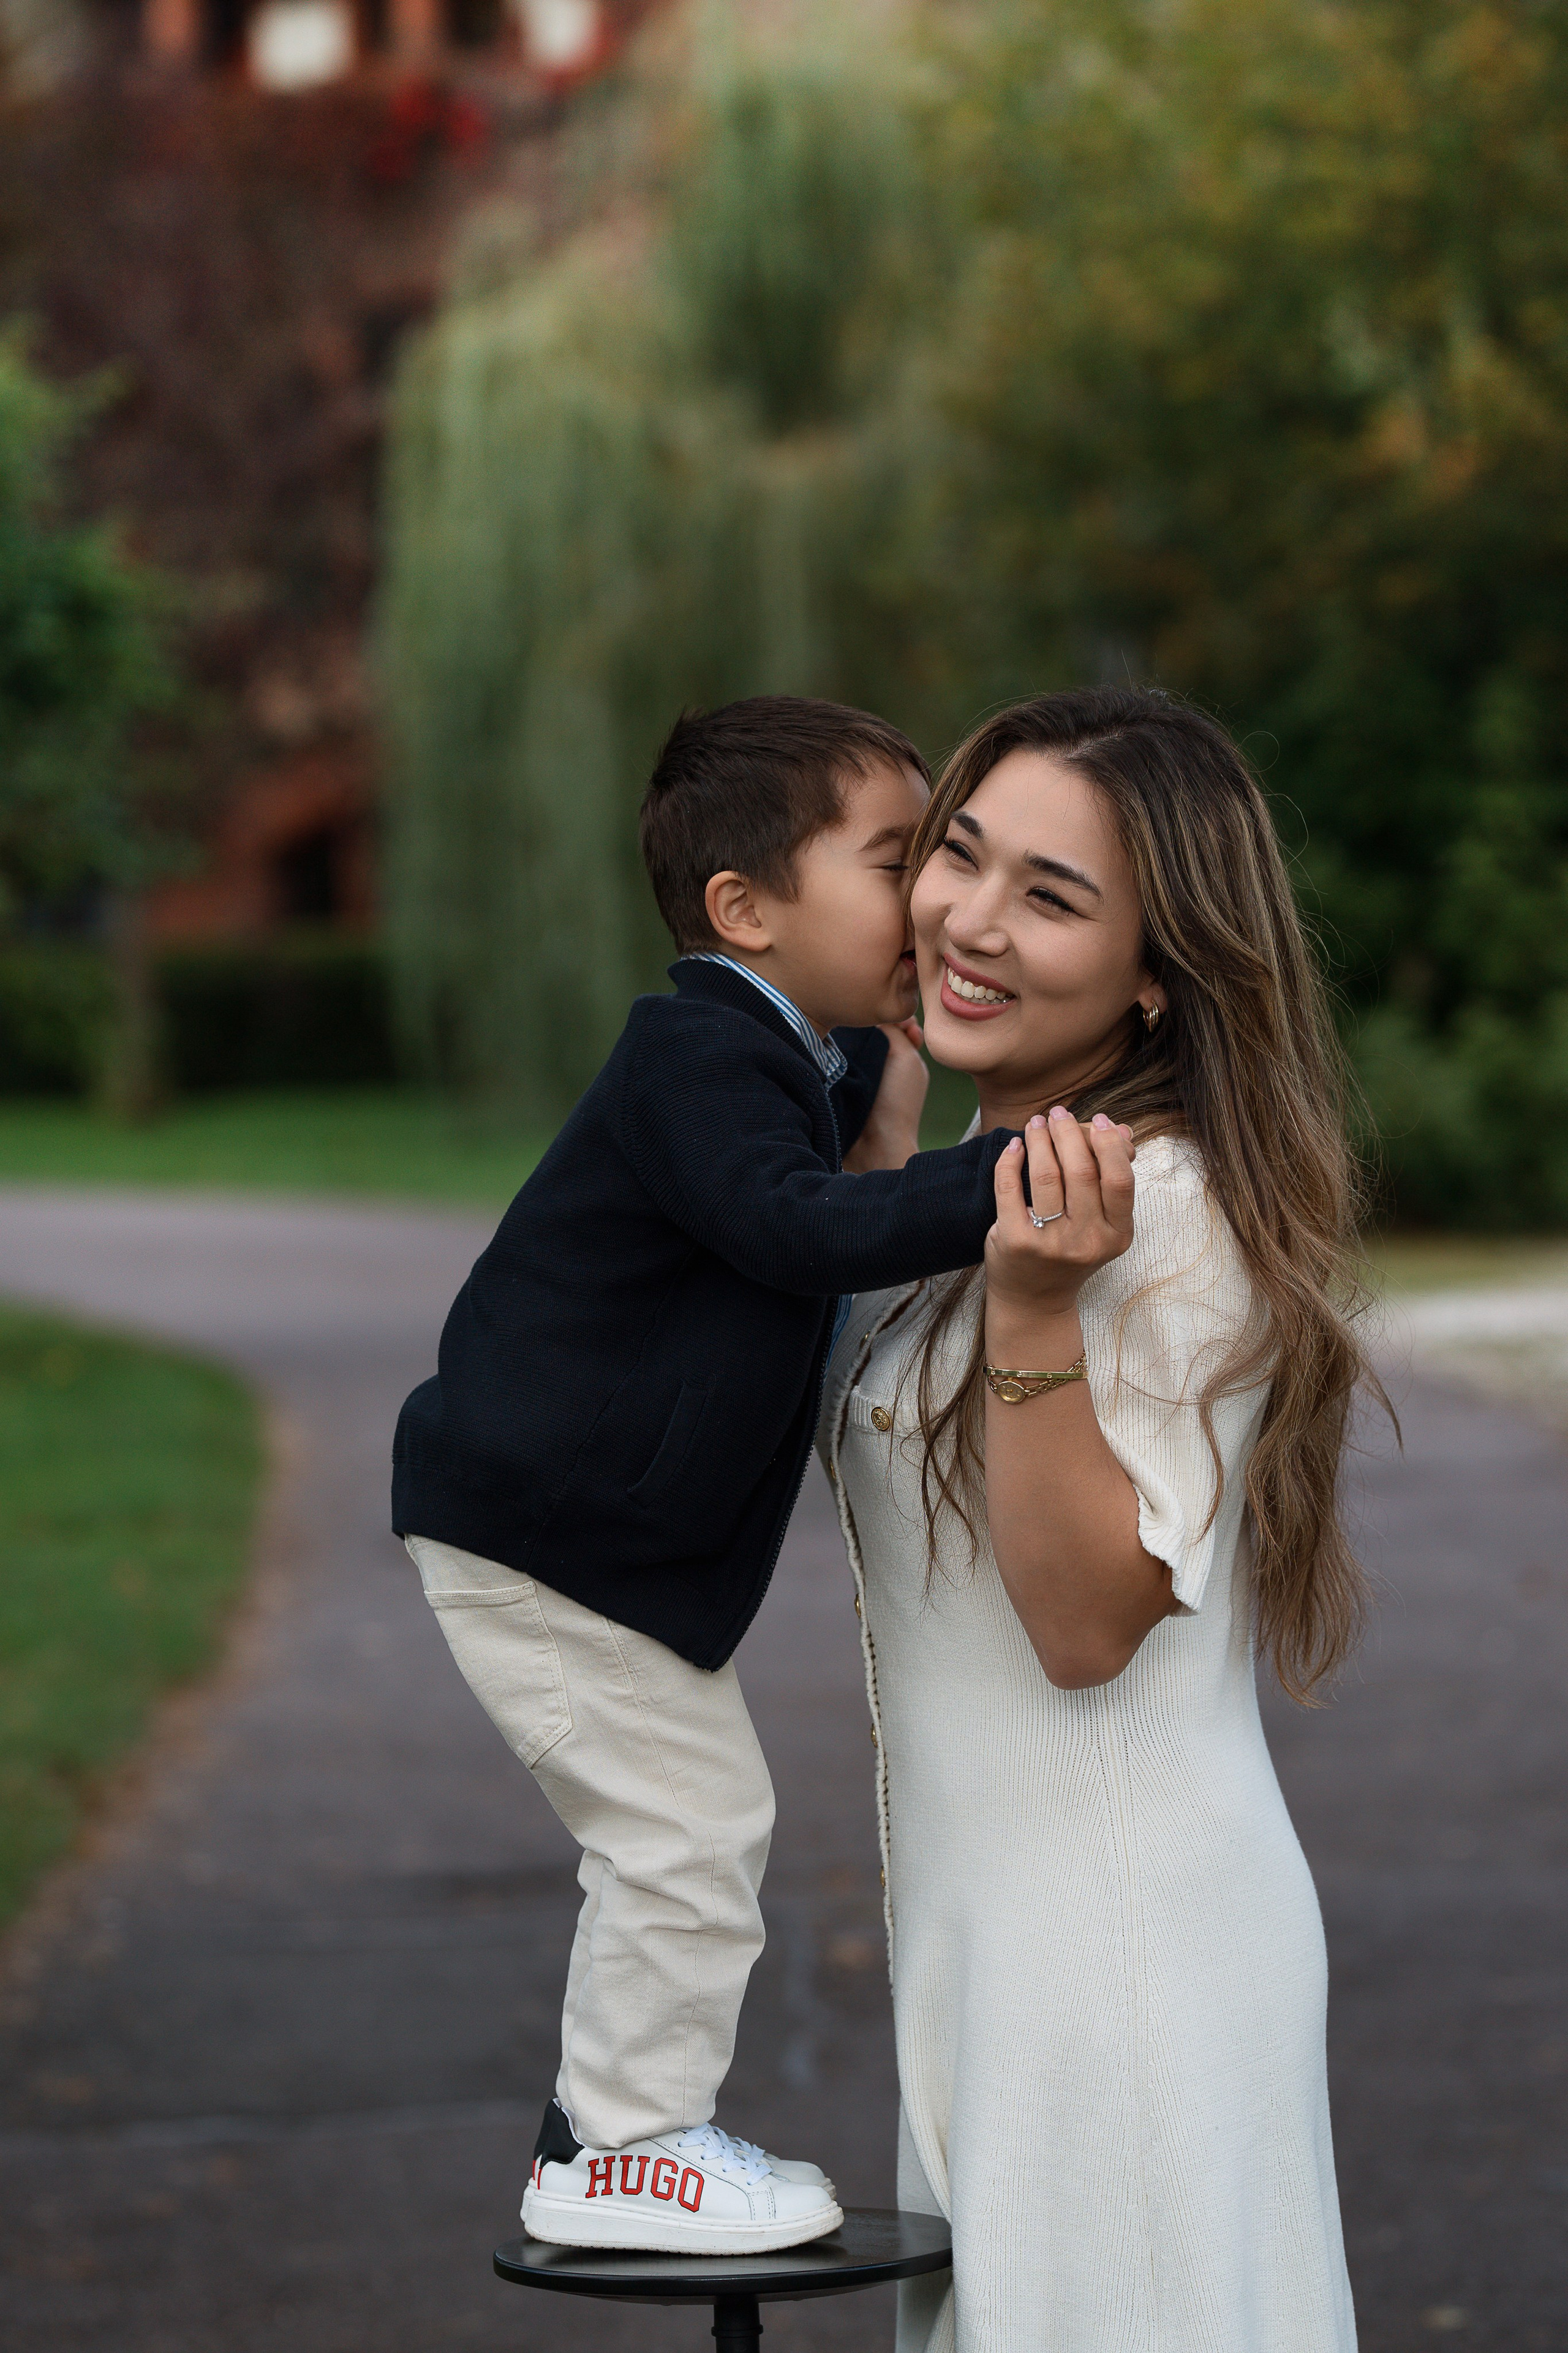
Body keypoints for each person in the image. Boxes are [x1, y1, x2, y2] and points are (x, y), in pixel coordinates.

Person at [393, 695, 1010, 2254]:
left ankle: (615, 2128)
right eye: (899, 859)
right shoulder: (695, 1053)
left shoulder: (789, 1054)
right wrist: (1011, 1171)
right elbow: (796, 1231)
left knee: (690, 1821)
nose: (936, 894)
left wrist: (895, 1107)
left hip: (589, 1542)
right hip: (543, 1536)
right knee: (684, 1828)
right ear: (744, 908)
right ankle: (618, 2147)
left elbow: (830, 1217)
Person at [822, 686, 1374, 2349]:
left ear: (1157, 969)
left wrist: (1040, 1320)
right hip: (993, 1948)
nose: (968, 920)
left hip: (1119, 1959)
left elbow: (1078, 1628)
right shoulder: (993, 1192)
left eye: (1050, 896)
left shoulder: (1164, 1215)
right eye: (957, 856)